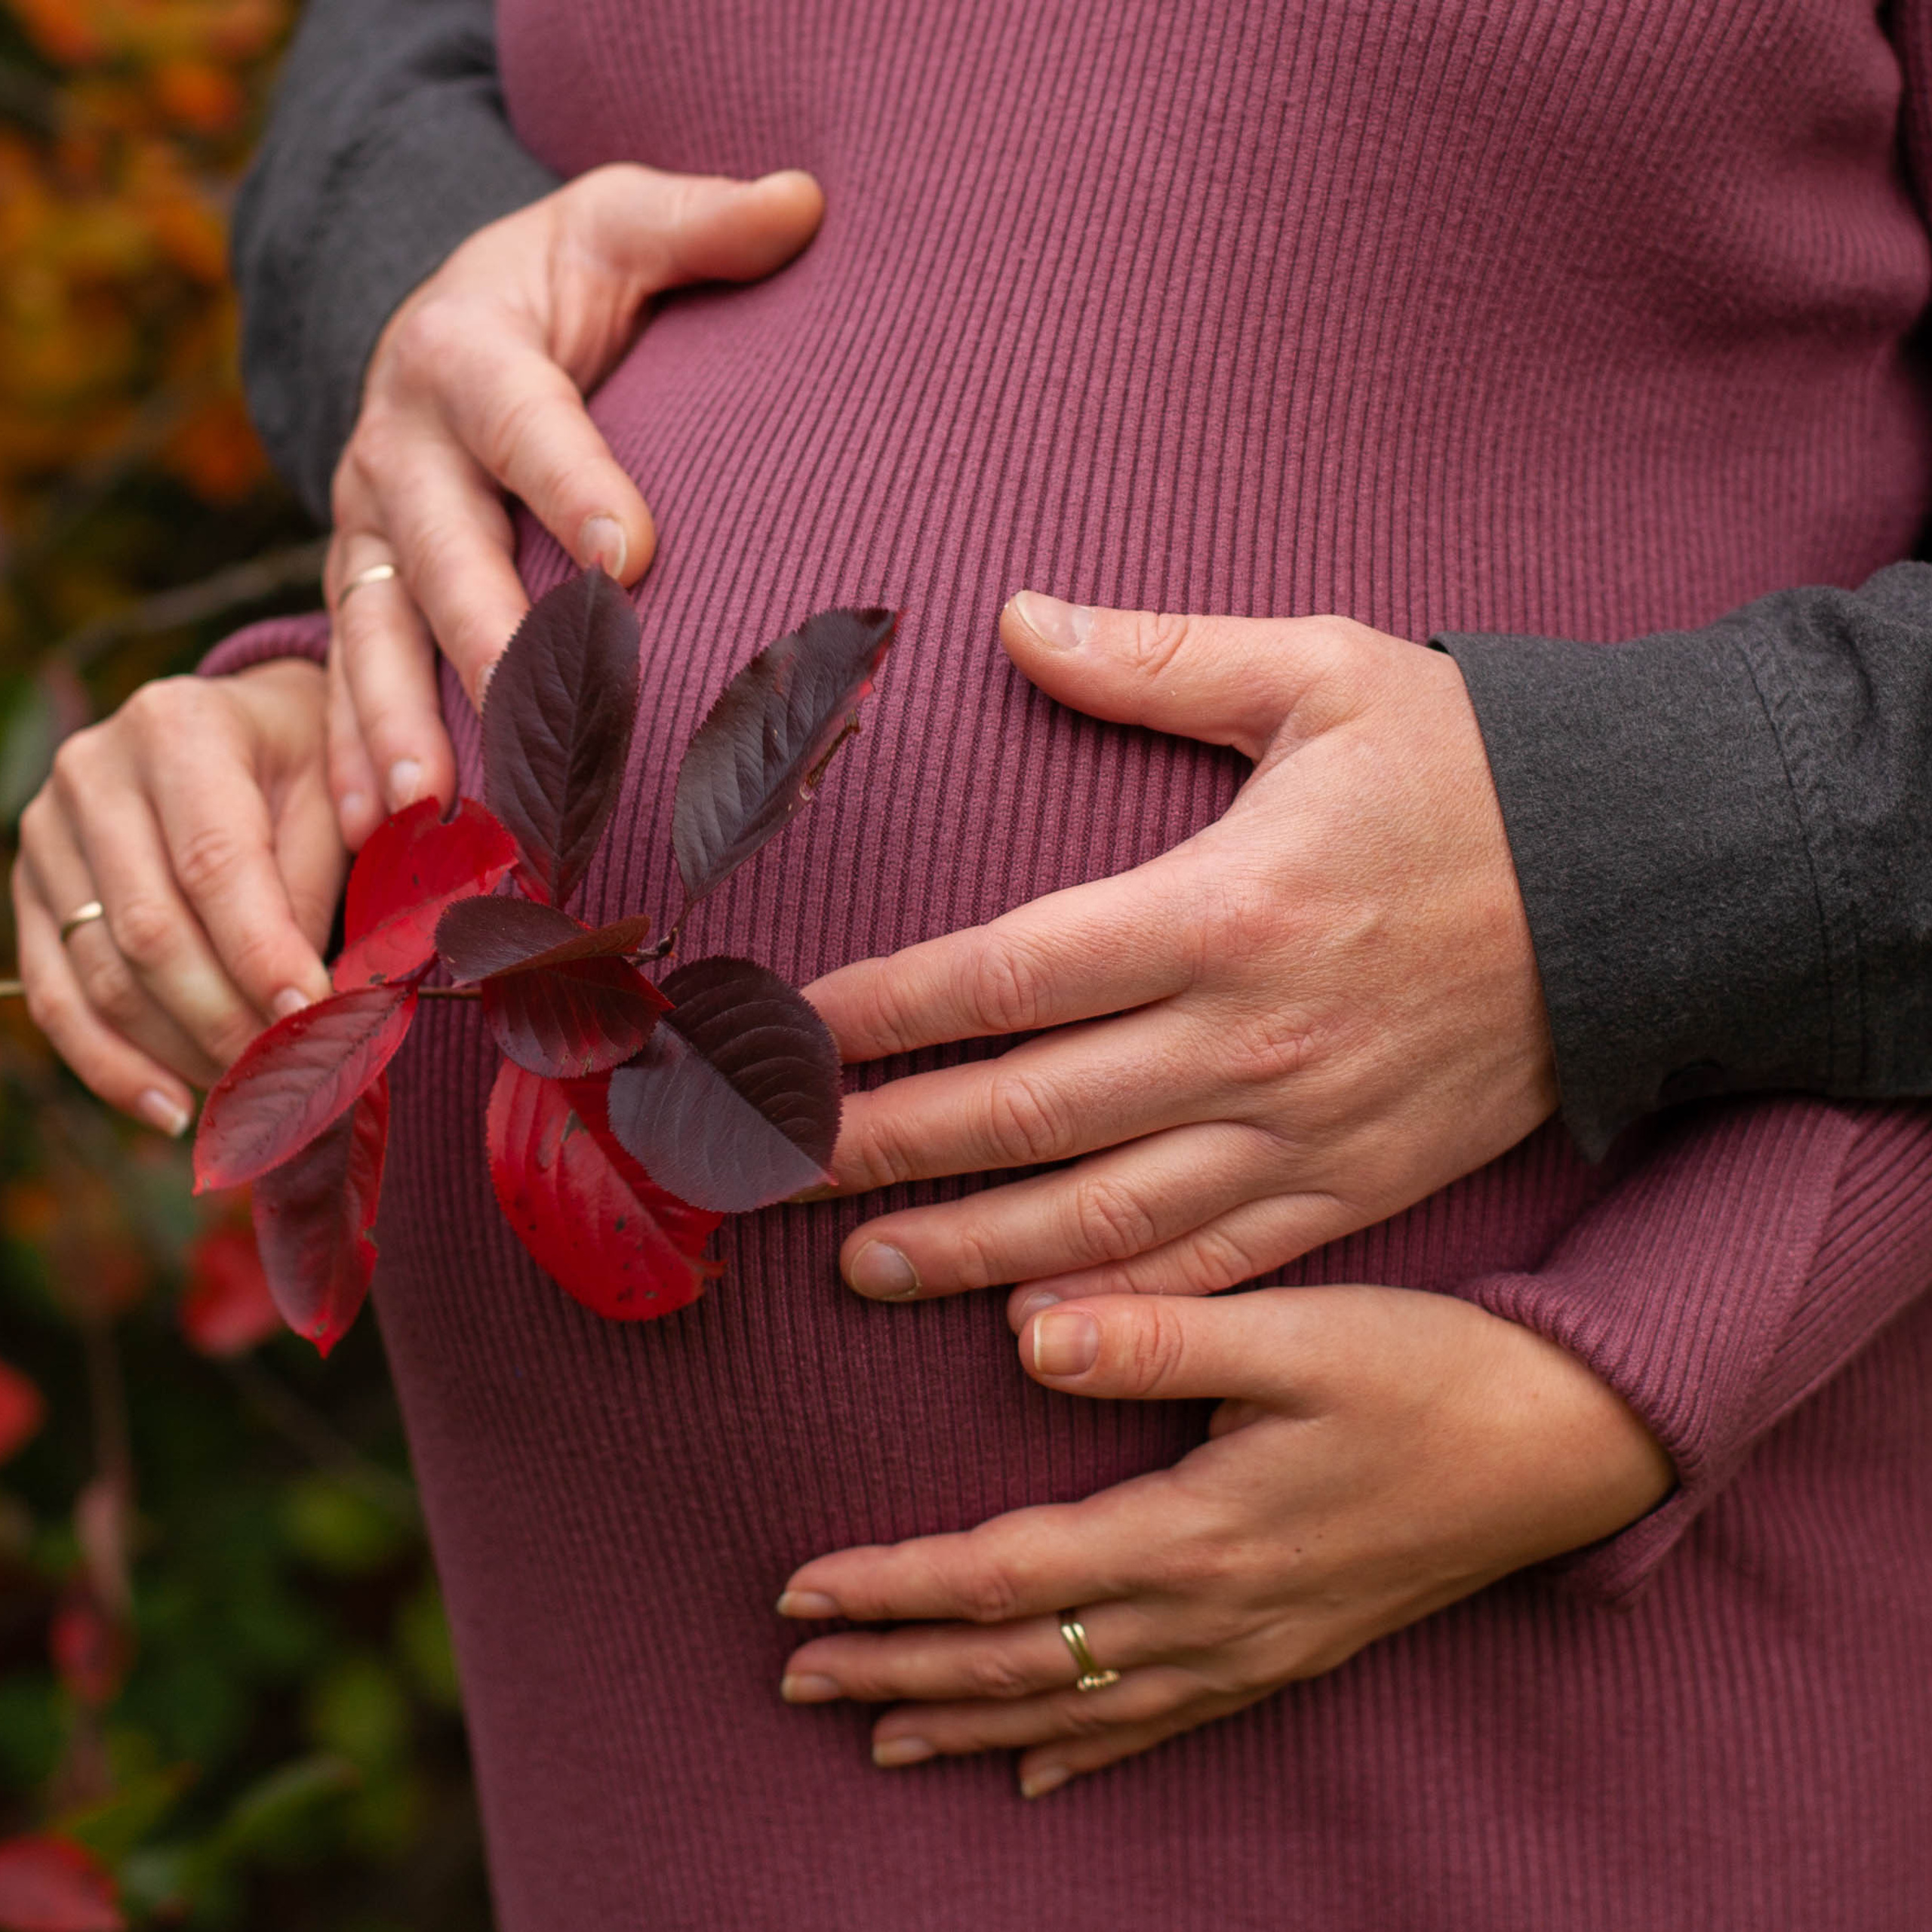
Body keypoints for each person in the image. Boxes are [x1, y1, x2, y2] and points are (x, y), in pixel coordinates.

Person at [14, 1, 1932, 1925]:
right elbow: (382, 79)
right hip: (644, 1723)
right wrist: (370, 637)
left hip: (1528, 1700)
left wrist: (1657, 1340)